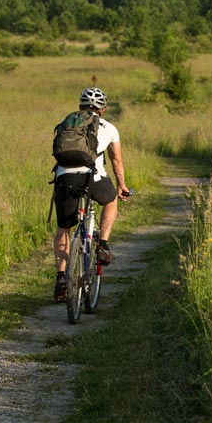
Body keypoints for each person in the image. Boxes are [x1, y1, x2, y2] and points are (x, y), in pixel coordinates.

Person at [52, 87, 131, 302]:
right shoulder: (110, 128)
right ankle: (103, 245)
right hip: (92, 178)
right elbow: (116, 161)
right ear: (102, 110)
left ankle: (61, 278)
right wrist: (122, 185)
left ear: (80, 107)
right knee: (112, 199)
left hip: (64, 178)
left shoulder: (67, 123)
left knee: (64, 228)